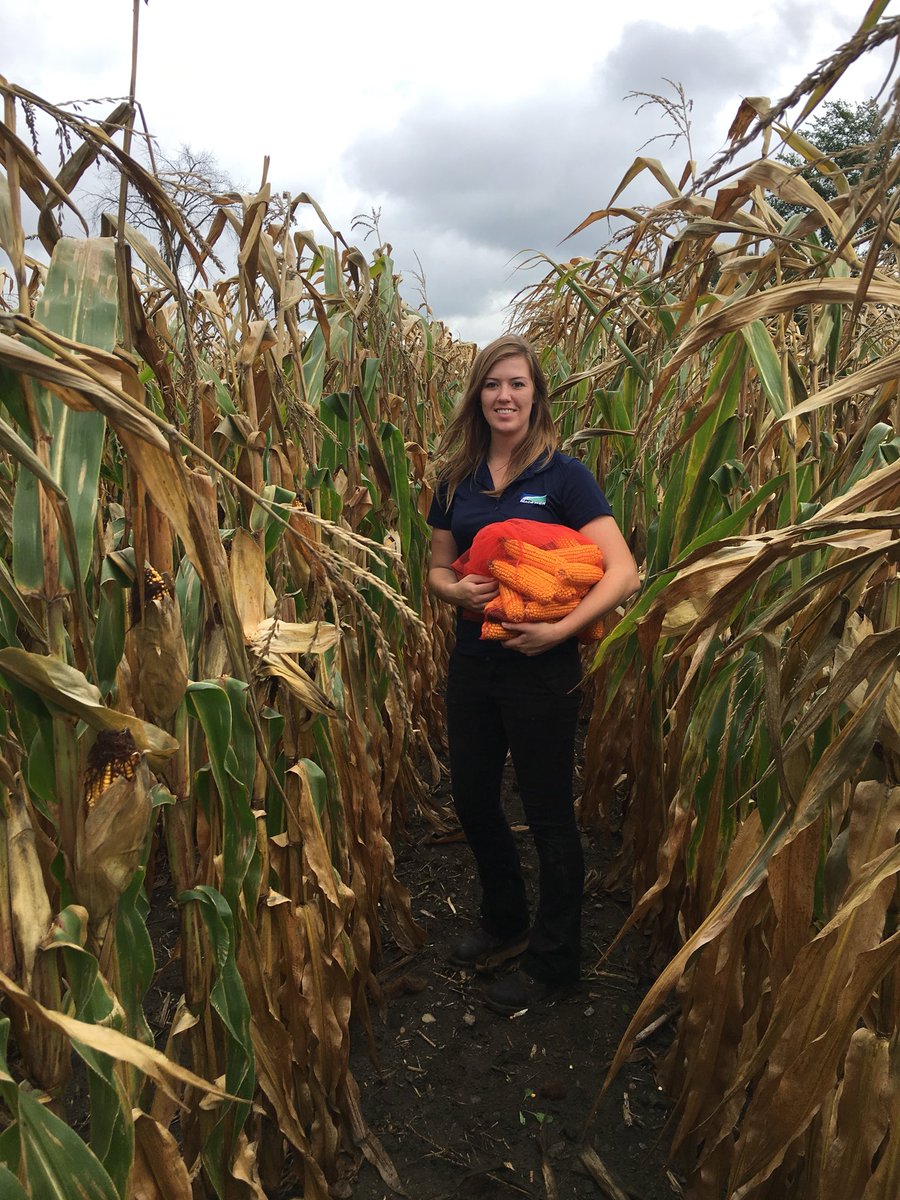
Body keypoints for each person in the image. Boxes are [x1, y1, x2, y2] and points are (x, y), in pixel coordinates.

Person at [426, 333, 640, 1015]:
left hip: (544, 671)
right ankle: (505, 918)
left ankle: (555, 961)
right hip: (474, 664)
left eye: (517, 384)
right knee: (473, 797)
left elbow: (623, 570)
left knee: (549, 815)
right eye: (493, 384)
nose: (504, 396)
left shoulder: (564, 477)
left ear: (536, 395)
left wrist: (559, 630)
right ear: (477, 396)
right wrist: (451, 592)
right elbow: (436, 567)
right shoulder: (455, 481)